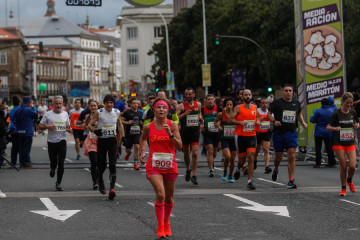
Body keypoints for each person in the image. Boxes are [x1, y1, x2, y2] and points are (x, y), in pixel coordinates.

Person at [139, 97, 182, 239]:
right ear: (154, 110)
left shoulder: (173, 125)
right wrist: (142, 151)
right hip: (154, 165)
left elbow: (179, 146)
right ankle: (160, 226)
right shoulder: (148, 127)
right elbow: (143, 138)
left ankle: (166, 222)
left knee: (169, 198)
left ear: (168, 110)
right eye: (158, 108)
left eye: (164, 108)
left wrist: (170, 134)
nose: (161, 110)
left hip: (170, 165)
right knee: (161, 193)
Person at [267, 84, 307, 189]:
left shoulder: (296, 103)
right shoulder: (277, 102)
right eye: (286, 91)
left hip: (291, 132)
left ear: (293, 92)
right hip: (279, 133)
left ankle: (290, 180)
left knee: (291, 155)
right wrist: (274, 121)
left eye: (290, 91)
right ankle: (276, 168)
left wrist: (303, 122)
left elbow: (299, 114)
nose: (288, 92)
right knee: (278, 157)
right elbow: (268, 114)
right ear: (283, 92)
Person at [87, 94, 124, 200]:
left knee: (113, 164)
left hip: (113, 140)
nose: (109, 104)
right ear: (104, 103)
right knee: (102, 165)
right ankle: (100, 179)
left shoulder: (116, 112)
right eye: (107, 102)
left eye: (111, 102)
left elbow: (120, 125)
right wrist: (95, 130)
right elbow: (88, 125)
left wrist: (123, 137)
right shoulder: (99, 112)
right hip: (102, 141)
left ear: (113, 103)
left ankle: (112, 189)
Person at [326, 92, 359, 196]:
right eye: (347, 103)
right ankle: (343, 188)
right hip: (339, 142)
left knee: (353, 166)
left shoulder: (353, 113)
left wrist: (357, 125)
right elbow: (328, 127)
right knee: (344, 166)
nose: (349, 105)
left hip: (350, 142)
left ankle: (349, 180)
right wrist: (335, 128)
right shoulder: (336, 113)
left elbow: (356, 123)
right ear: (342, 102)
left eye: (350, 103)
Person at [38, 96, 71, 191]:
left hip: (62, 141)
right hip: (51, 141)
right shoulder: (48, 114)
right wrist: (48, 126)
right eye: (56, 103)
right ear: (53, 104)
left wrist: (70, 130)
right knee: (54, 162)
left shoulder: (65, 114)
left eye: (60, 103)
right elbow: (40, 126)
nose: (58, 105)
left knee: (61, 162)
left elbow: (68, 126)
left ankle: (58, 183)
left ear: (62, 104)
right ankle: (52, 168)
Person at [231, 89, 260, 190]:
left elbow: (256, 118)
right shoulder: (238, 108)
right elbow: (230, 119)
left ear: (251, 96)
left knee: (251, 157)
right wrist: (240, 123)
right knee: (242, 160)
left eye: (249, 95)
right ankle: (238, 168)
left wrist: (258, 122)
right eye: (246, 95)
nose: (248, 96)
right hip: (240, 136)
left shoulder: (255, 107)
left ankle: (250, 181)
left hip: (252, 135)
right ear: (242, 97)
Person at [176, 87, 203, 185]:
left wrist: (200, 119)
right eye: (186, 94)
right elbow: (175, 118)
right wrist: (184, 114)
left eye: (190, 94)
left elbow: (199, 114)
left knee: (195, 153)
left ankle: (194, 175)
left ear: (194, 95)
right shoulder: (181, 106)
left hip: (195, 132)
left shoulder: (198, 104)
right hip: (185, 133)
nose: (188, 96)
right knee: (186, 153)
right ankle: (188, 169)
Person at [214, 97, 237, 182]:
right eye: (228, 105)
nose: (229, 106)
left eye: (231, 104)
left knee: (233, 159)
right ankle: (224, 171)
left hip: (234, 139)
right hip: (225, 138)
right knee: (227, 156)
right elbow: (215, 122)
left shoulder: (236, 114)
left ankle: (230, 175)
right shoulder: (221, 114)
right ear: (225, 106)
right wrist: (219, 126)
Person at [310, 98, 336, 168]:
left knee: (318, 148)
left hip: (319, 132)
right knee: (329, 148)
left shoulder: (318, 111)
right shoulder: (331, 111)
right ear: (328, 104)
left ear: (321, 103)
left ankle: (318, 163)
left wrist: (311, 117)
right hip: (328, 131)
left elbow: (313, 120)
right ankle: (332, 163)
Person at [201, 94, 222, 177]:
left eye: (211, 99)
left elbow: (222, 118)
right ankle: (211, 169)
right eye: (208, 99)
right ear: (205, 101)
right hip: (207, 133)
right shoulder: (203, 109)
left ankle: (211, 161)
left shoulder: (218, 108)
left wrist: (219, 124)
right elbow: (200, 118)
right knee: (210, 150)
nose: (210, 101)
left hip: (217, 133)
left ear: (214, 100)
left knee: (214, 151)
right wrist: (201, 124)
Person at [14, 96, 38, 168]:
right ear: (28, 102)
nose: (32, 104)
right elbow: (35, 115)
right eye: (31, 102)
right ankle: (25, 162)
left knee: (21, 147)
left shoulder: (18, 109)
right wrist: (33, 108)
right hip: (27, 131)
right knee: (27, 147)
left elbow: (15, 120)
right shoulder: (28, 109)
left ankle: (23, 161)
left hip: (20, 131)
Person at [122, 98, 143, 170]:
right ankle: (128, 153)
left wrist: (142, 128)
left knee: (137, 147)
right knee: (128, 149)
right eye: (134, 103)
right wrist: (128, 122)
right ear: (130, 104)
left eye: (137, 103)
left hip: (137, 133)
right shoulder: (127, 113)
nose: (136, 105)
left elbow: (142, 122)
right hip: (129, 133)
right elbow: (121, 121)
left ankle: (136, 164)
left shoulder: (140, 113)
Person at [83, 100, 99, 190]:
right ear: (89, 107)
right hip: (90, 140)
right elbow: (86, 125)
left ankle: (99, 178)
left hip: (100, 140)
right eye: (91, 106)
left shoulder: (101, 116)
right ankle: (95, 182)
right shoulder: (87, 116)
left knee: (100, 163)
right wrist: (88, 126)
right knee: (94, 162)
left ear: (97, 107)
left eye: (94, 106)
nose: (93, 107)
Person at [254, 97, 272, 174]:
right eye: (263, 103)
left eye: (266, 103)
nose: (264, 105)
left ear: (268, 104)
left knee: (266, 149)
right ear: (260, 104)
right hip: (258, 132)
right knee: (257, 150)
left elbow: (272, 120)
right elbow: (254, 120)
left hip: (266, 132)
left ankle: (267, 166)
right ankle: (254, 160)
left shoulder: (270, 112)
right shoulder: (257, 111)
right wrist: (260, 119)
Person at [9, 96, 20, 166]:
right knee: (19, 147)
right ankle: (21, 162)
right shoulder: (19, 109)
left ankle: (13, 162)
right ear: (19, 103)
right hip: (19, 130)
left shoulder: (11, 110)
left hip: (12, 129)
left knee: (14, 147)